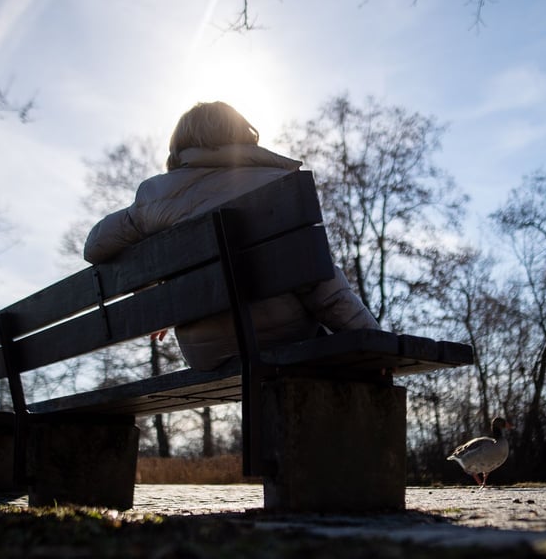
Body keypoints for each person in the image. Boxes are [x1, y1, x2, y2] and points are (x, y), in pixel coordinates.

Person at [83, 101, 380, 370]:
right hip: (284, 337)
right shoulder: (279, 184)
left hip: (204, 351)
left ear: (180, 144)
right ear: (241, 132)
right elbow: (322, 286)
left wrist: (153, 289)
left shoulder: (154, 195)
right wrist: (376, 343)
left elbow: (94, 247)